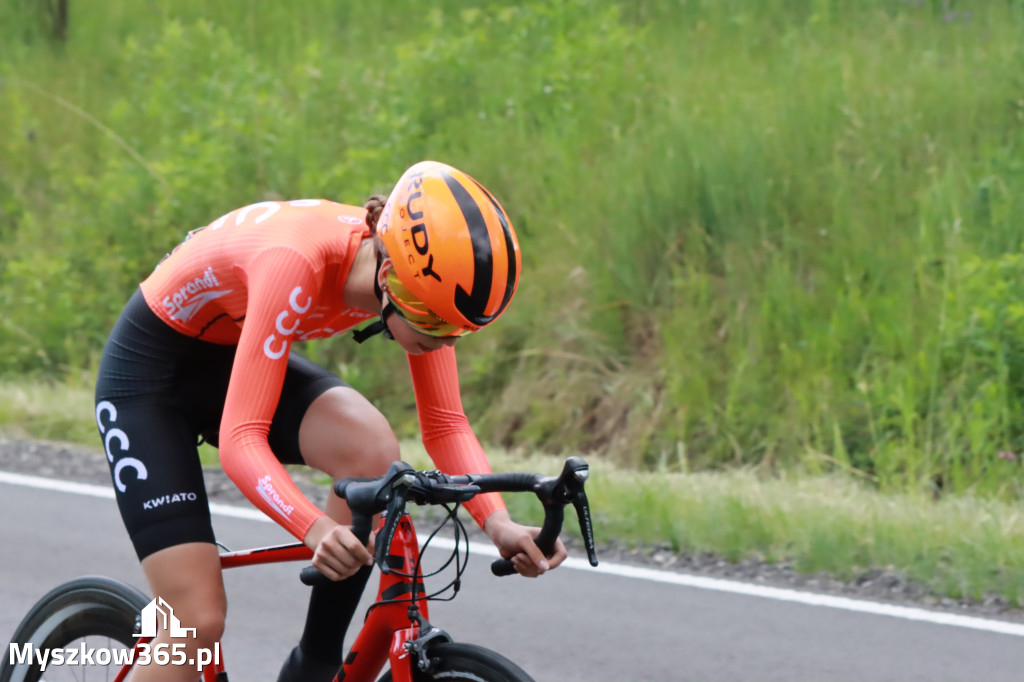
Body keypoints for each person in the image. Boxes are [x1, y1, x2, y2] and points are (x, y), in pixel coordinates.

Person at [93, 160, 568, 682]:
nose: (446, 341)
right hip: (149, 379)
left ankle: (313, 665)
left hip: (231, 352)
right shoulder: (296, 262)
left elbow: (446, 424)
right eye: (434, 321)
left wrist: (496, 522)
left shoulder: (411, 280)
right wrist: (314, 528)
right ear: (389, 276)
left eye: (461, 330)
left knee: (369, 449)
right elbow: (241, 440)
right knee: (195, 623)